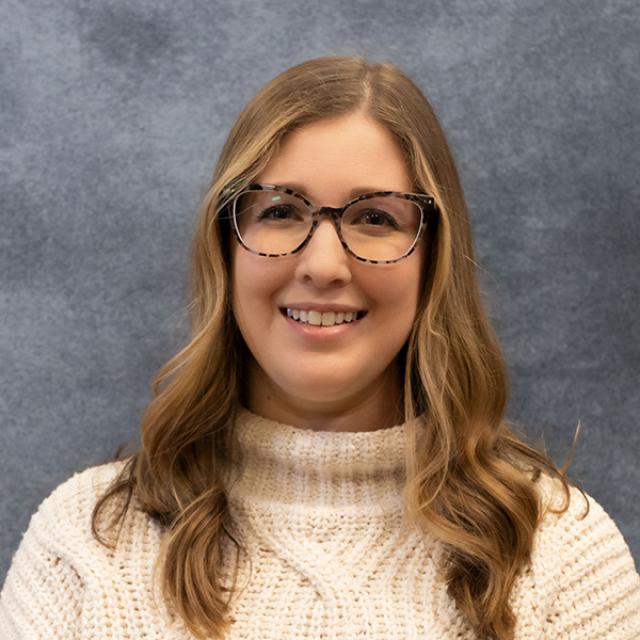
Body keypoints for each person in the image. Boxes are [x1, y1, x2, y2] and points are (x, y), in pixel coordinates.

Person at [1, 55, 639, 640]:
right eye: (280, 210)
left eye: (376, 218)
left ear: (435, 258)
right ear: (224, 248)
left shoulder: (558, 551)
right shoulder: (86, 540)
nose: (325, 265)